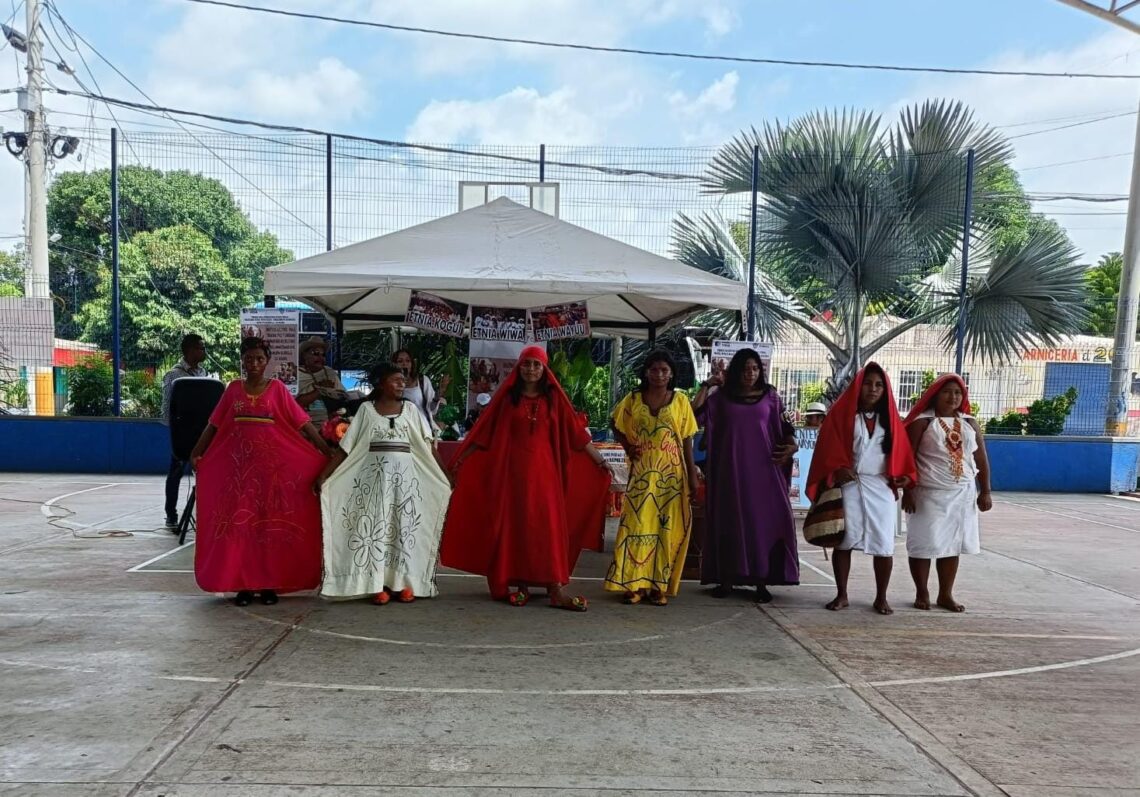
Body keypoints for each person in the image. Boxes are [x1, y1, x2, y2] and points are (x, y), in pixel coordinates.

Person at [440, 346, 611, 611]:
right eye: (526, 364)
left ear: (544, 369)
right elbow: (484, 434)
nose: (531, 369)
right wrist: (461, 459)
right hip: (514, 476)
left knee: (548, 527)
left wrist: (599, 460)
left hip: (546, 476)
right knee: (518, 528)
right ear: (519, 368)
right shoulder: (508, 399)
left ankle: (555, 587)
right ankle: (520, 585)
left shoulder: (555, 399)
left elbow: (577, 435)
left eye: (536, 365)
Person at [190, 336, 333, 606]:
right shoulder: (232, 390)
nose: (253, 363)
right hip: (239, 475)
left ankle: (269, 585)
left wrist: (325, 450)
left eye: (259, 359)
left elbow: (303, 424)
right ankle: (242, 585)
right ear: (242, 361)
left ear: (267, 362)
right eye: (249, 359)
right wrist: (196, 452)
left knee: (267, 530)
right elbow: (214, 426)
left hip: (271, 475)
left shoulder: (277, 389)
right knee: (241, 529)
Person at [316, 363, 452, 604]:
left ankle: (404, 584)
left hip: (406, 485)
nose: (401, 384)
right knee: (375, 530)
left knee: (404, 529)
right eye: (396, 380)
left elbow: (428, 445)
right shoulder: (367, 410)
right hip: (374, 485)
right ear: (381, 383)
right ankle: (377, 584)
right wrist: (326, 474)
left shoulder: (410, 410)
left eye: (403, 380)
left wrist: (445, 475)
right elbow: (347, 448)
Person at [807, 363, 916, 615]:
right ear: (858, 386)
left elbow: (903, 455)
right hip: (850, 485)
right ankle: (842, 594)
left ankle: (881, 597)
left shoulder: (891, 420)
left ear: (885, 389)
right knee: (843, 539)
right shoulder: (841, 415)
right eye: (868, 384)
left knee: (884, 543)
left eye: (878, 385)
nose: (873, 389)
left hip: (880, 486)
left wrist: (904, 477)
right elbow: (827, 451)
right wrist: (837, 470)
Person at [692, 348, 799, 603]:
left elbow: (787, 429)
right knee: (730, 522)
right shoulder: (720, 399)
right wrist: (709, 384)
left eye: (755, 368)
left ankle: (762, 580)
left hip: (764, 473)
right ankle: (727, 578)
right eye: (745, 368)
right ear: (735, 371)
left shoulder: (771, 397)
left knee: (762, 524)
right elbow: (693, 416)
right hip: (730, 473)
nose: (750, 373)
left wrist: (792, 446)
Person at [605, 349, 700, 606]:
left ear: (671, 375)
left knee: (665, 530)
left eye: (664, 370)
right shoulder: (633, 399)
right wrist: (627, 445)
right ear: (646, 372)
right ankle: (632, 584)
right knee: (636, 526)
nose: (659, 374)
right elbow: (615, 422)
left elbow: (688, 439)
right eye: (654, 369)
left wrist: (692, 476)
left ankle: (659, 586)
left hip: (672, 477)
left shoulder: (680, 402)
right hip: (642, 474)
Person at [902, 374, 992, 612]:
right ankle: (922, 592)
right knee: (923, 543)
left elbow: (980, 456)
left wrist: (986, 491)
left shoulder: (969, 422)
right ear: (935, 395)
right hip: (927, 492)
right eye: (947, 392)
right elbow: (907, 457)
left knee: (953, 544)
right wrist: (908, 490)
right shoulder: (922, 422)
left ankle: (945, 594)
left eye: (958, 393)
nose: (953, 397)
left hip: (962, 492)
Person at [161, 334, 207, 529]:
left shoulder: (202, 372)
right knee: (176, 472)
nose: (203, 352)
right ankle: (171, 514)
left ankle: (205, 514)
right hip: (182, 433)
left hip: (202, 432)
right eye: (200, 348)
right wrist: (175, 432)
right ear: (189, 350)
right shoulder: (174, 375)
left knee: (205, 473)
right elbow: (166, 407)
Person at [296, 336, 347, 425]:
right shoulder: (296, 374)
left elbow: (342, 397)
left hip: (329, 425)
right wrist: (321, 390)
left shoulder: (329, 373)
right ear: (304, 355)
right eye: (316, 353)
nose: (321, 358)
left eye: (323, 355)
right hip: (303, 425)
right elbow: (294, 404)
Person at [392, 349, 450, 426]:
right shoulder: (390, 384)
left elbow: (432, 409)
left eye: (408, 361)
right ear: (394, 364)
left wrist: (440, 392)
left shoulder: (422, 380)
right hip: (400, 426)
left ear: (412, 364)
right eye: (400, 361)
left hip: (422, 427)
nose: (404, 364)